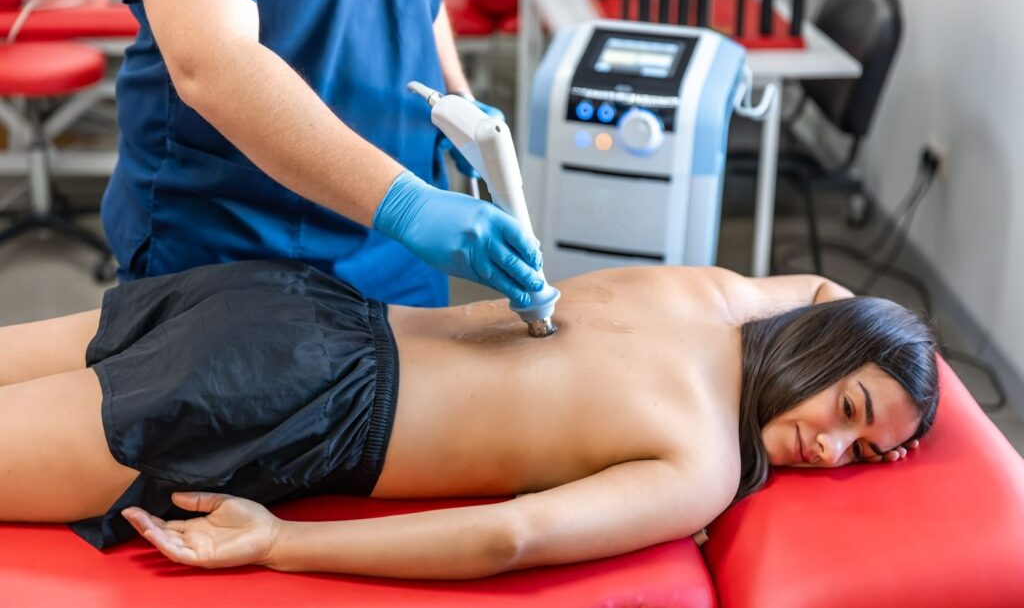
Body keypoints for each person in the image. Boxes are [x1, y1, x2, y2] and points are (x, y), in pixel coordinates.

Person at [0, 261, 938, 579]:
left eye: (863, 452)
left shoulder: (716, 295)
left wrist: (891, 383)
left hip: (290, 305)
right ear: (826, 348)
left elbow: (826, 291)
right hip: (285, 395)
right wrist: (280, 543)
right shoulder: (704, 464)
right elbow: (509, 537)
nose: (830, 448)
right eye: (847, 407)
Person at [103, 0, 543, 308]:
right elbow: (214, 63)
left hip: (406, 239)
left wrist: (457, 95)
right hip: (243, 239)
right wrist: (407, 207)